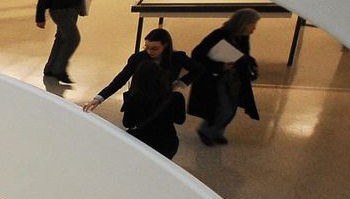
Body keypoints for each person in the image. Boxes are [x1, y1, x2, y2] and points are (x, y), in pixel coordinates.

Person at [82, 28, 191, 158]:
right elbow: (179, 120)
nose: (150, 52)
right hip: (167, 144)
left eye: (154, 48)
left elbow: (128, 123)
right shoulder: (176, 98)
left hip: (141, 144)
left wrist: (181, 82)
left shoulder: (134, 100)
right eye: (147, 47)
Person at [188, 9, 263, 145]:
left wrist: (251, 63)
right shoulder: (219, 35)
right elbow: (197, 54)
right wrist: (219, 66)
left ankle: (217, 132)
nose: (254, 28)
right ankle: (206, 130)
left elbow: (243, 54)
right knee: (224, 108)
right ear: (244, 23)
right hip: (217, 79)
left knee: (231, 109)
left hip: (235, 78)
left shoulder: (243, 36)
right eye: (252, 24)